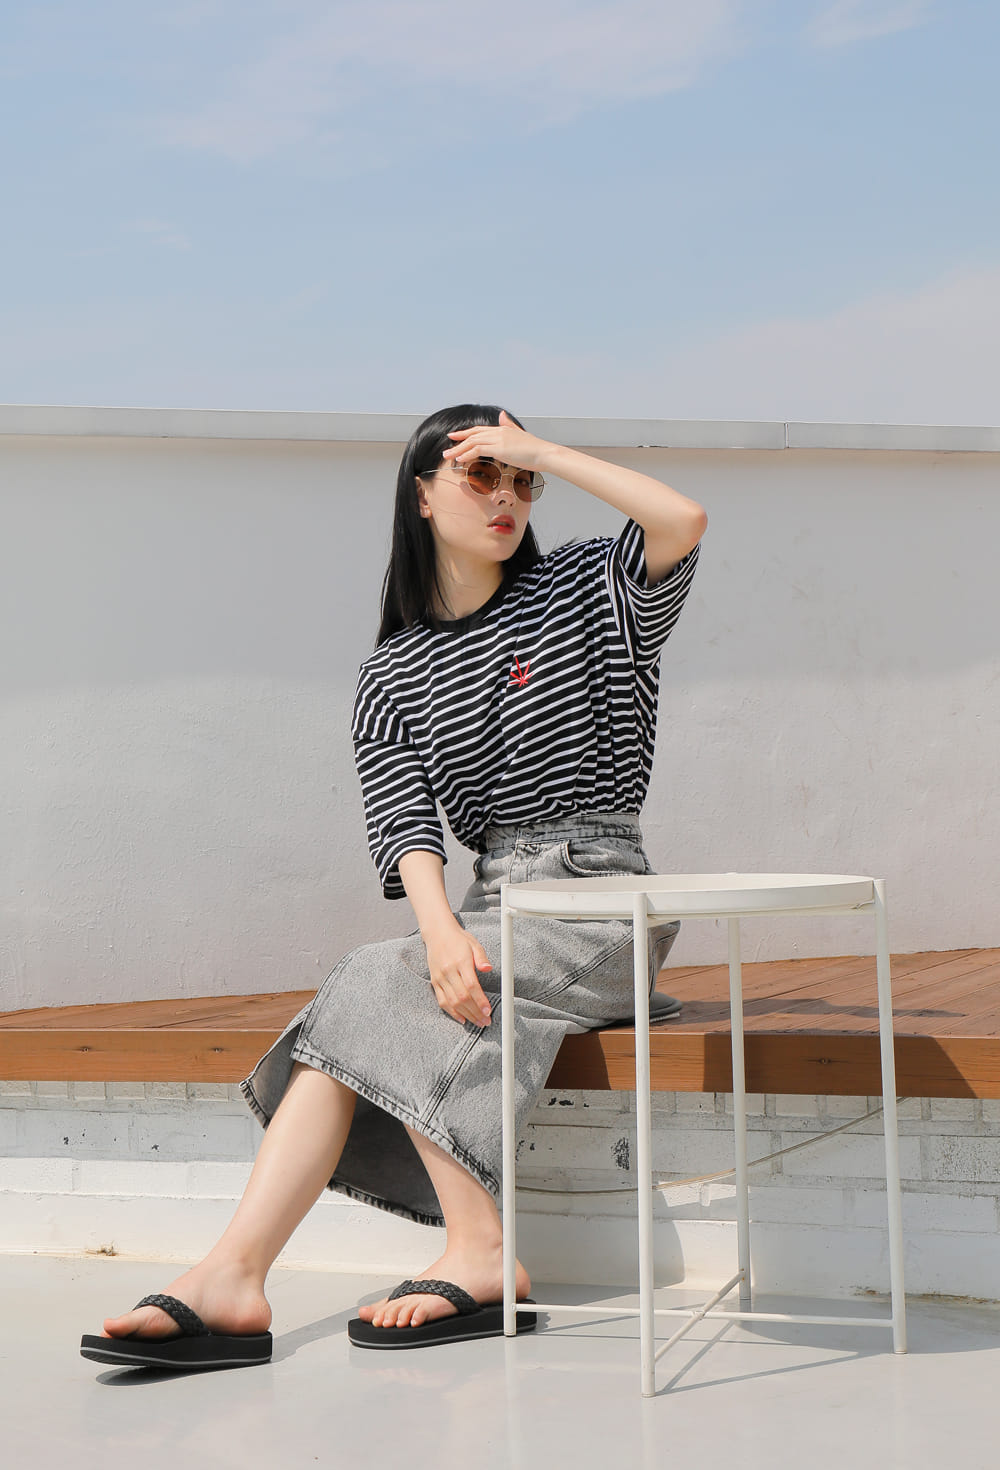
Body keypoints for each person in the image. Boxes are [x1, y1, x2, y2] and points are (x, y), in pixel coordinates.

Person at [81, 404, 706, 1370]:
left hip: (599, 896)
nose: (507, 497)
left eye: (521, 480)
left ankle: (476, 1250)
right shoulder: (393, 670)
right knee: (376, 988)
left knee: (377, 980)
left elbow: (681, 520)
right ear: (421, 495)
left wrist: (540, 448)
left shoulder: (587, 588)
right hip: (492, 902)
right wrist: (443, 932)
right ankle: (234, 1278)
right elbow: (406, 826)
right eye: (481, 475)